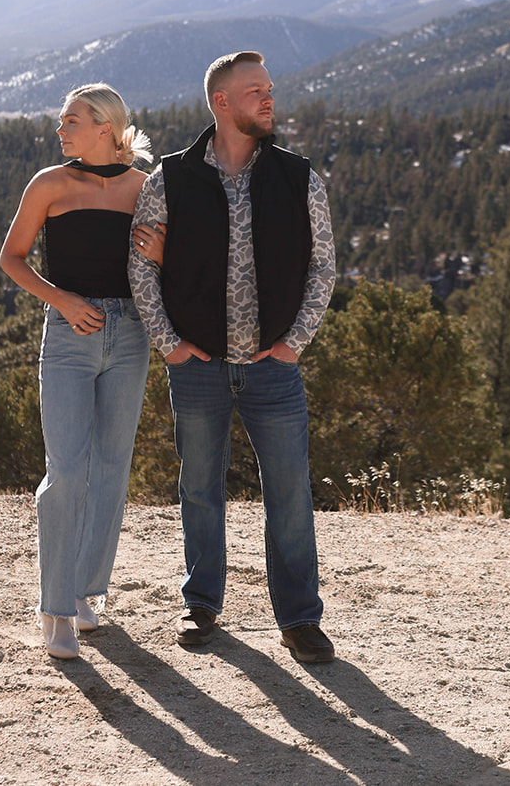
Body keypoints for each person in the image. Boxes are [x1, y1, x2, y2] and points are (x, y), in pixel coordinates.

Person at [129, 50, 338, 664]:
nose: (268, 99)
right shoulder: (169, 178)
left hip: (273, 367)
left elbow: (323, 267)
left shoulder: (301, 178)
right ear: (221, 103)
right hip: (197, 370)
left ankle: (299, 618)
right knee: (199, 487)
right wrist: (169, 344)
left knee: (291, 495)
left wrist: (295, 341)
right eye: (254, 91)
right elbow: (142, 268)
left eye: (269, 89)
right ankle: (201, 605)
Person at [0, 83, 165, 660]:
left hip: (131, 335)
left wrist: (164, 256)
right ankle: (56, 609)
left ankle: (87, 591)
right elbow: (11, 258)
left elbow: (171, 265)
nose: (60, 130)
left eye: (70, 120)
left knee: (112, 469)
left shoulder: (146, 189)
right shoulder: (49, 184)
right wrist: (62, 301)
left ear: (104, 127)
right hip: (69, 334)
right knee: (66, 471)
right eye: (60, 122)